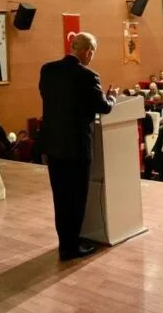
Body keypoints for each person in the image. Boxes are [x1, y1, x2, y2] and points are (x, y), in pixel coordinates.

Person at [38, 32, 118, 261]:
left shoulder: (47, 70)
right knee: (76, 197)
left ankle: (64, 243)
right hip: (76, 146)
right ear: (88, 51)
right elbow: (102, 107)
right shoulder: (88, 75)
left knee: (60, 197)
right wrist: (111, 97)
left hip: (53, 144)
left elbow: (48, 97)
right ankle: (71, 247)